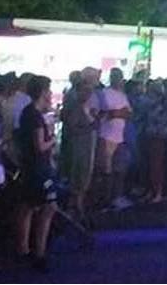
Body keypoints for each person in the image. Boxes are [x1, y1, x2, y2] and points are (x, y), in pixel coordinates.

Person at [15, 76, 57, 272]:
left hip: (30, 167)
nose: (50, 94)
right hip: (39, 168)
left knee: (28, 207)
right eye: (48, 90)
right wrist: (53, 140)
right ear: (42, 92)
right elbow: (40, 146)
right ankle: (38, 251)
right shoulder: (35, 116)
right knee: (48, 207)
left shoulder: (27, 113)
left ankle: (23, 248)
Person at [60, 67, 99, 220]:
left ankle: (78, 203)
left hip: (87, 143)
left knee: (84, 173)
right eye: (86, 90)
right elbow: (72, 126)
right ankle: (74, 205)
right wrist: (91, 126)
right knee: (78, 172)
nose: (88, 93)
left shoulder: (86, 104)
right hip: (79, 144)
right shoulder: (75, 104)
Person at [91, 68, 132, 210]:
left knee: (120, 168)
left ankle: (116, 197)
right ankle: (104, 199)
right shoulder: (103, 94)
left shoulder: (122, 95)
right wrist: (116, 113)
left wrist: (116, 113)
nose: (119, 79)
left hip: (120, 136)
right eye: (116, 76)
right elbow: (102, 113)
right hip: (106, 136)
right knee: (105, 169)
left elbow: (128, 113)